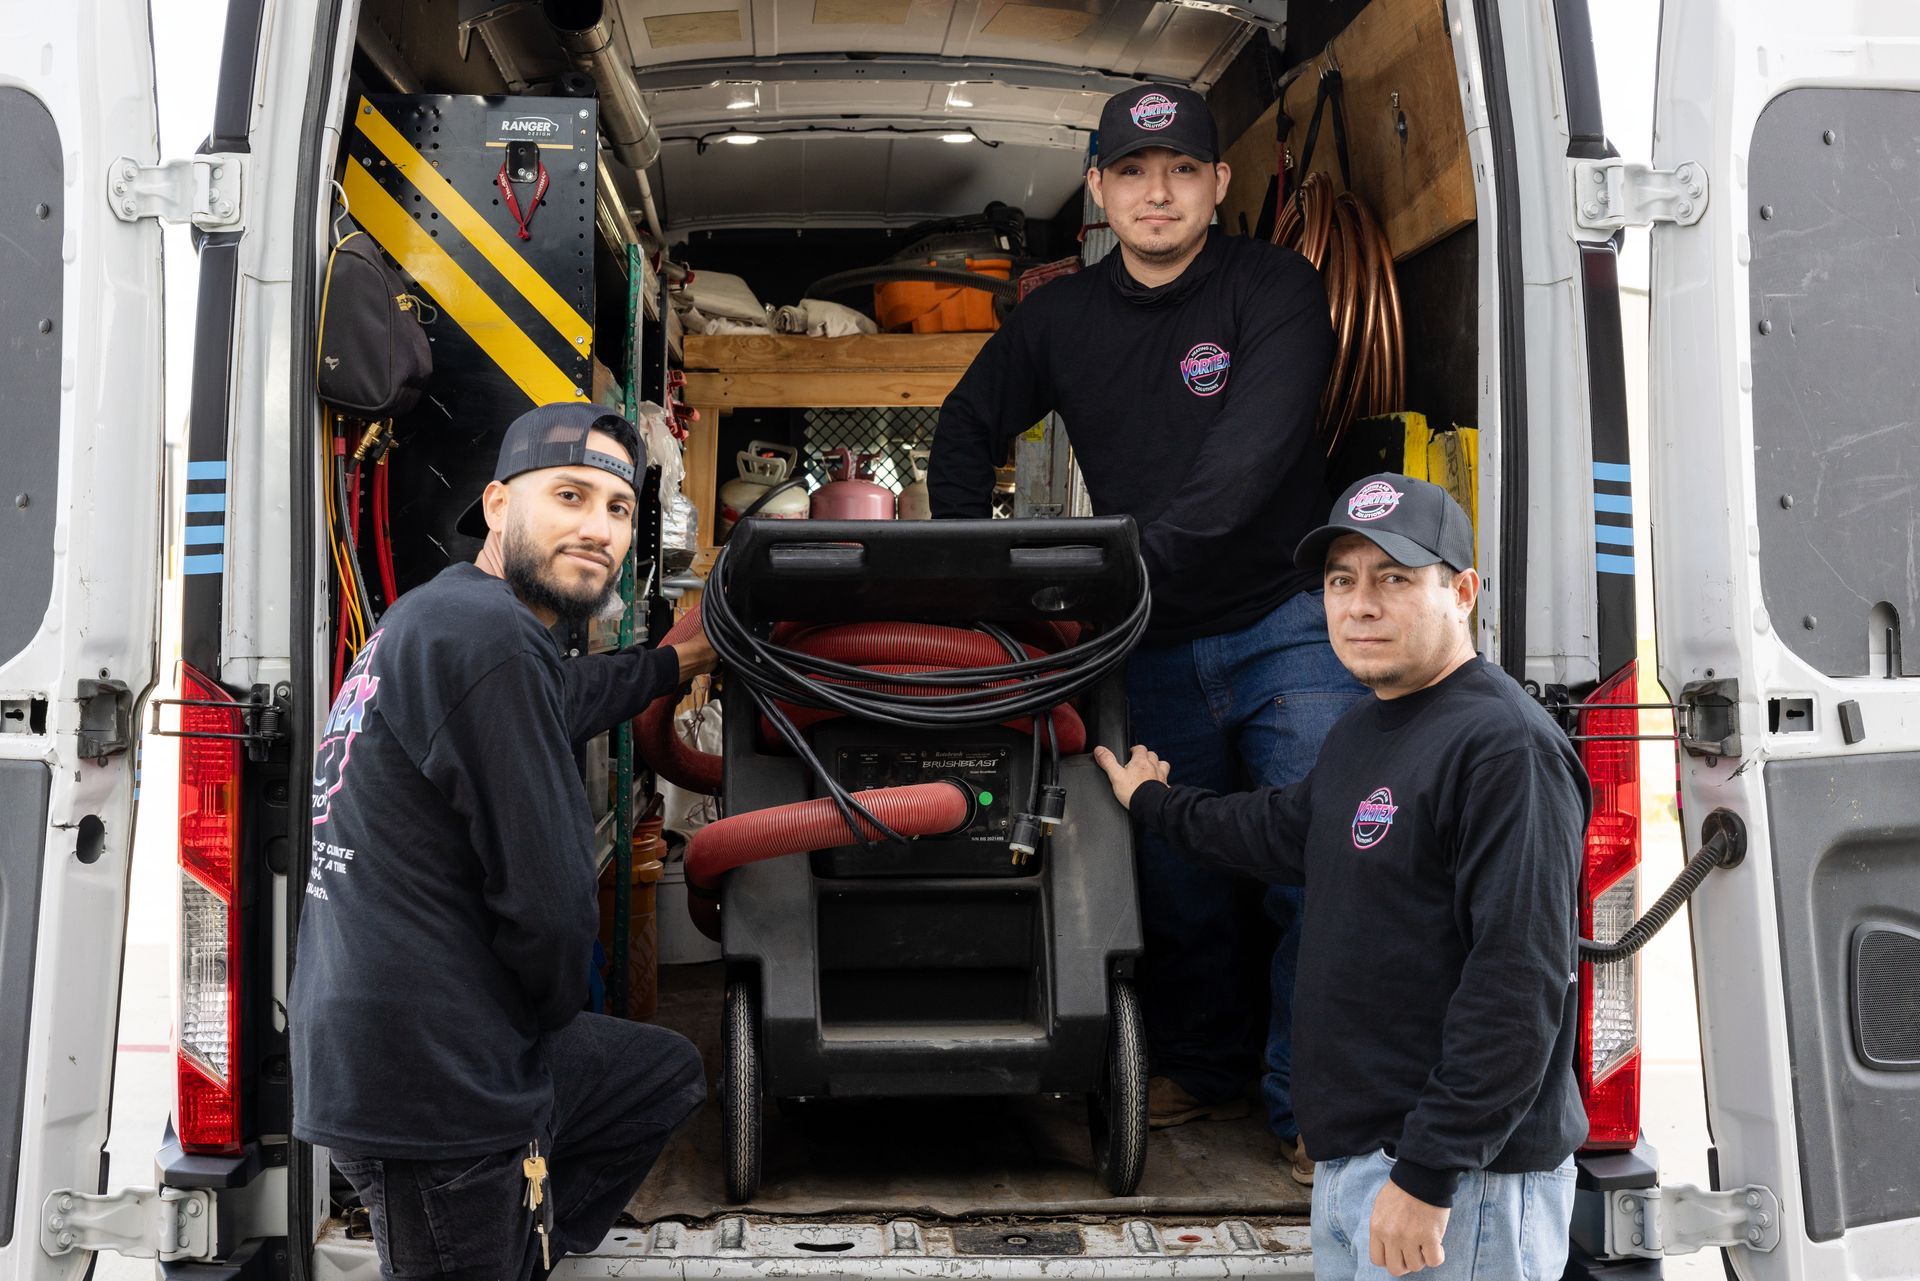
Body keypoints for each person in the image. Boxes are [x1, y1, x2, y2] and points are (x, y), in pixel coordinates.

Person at [930, 80, 1358, 1179]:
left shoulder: (1276, 289)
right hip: (1148, 642)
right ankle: (1205, 1068)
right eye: (1132, 172)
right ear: (1098, 191)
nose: (1156, 193)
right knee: (1178, 878)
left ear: (1221, 183)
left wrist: (1108, 579)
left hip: (1284, 625)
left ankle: (1314, 1103)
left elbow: (1244, 466)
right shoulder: (1059, 316)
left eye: (1180, 171)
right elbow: (967, 424)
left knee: (1316, 855)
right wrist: (966, 576)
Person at [1092, 474, 1590, 1280]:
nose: (1359, 605)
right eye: (1339, 580)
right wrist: (1152, 800)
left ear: (1462, 590)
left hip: (1461, 1191)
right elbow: (1277, 828)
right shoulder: (1368, 727)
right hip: (1361, 1169)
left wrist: (1427, 1177)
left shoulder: (1504, 749)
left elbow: (1518, 983)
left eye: (1393, 578)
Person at [290, 402, 720, 1279]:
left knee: (660, 1073)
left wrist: (676, 661)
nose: (597, 528)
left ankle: (527, 1240)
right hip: (439, 1091)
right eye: (569, 494)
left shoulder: (439, 617)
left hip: (385, 1050)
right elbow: (556, 914)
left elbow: (565, 696)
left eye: (618, 509)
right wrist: (543, 1023)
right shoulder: (493, 642)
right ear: (495, 505)